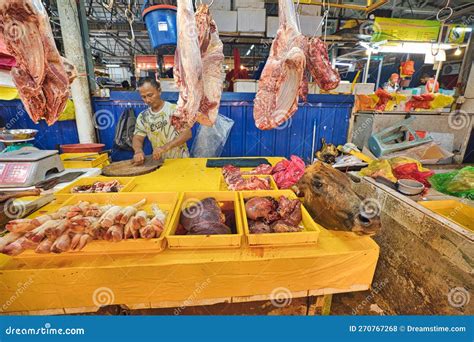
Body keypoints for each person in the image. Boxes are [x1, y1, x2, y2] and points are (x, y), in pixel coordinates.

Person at [132, 77, 192, 165]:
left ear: (159, 91)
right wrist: (138, 151)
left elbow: (187, 134)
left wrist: (165, 148)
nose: (147, 100)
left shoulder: (174, 110)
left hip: (181, 161)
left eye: (150, 95)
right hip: (159, 163)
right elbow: (137, 138)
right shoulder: (143, 117)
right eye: (143, 97)